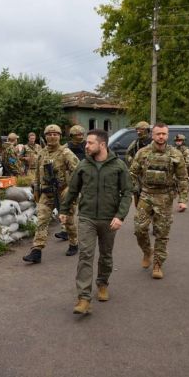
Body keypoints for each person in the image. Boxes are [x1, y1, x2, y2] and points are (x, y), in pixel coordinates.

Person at [60, 129, 132, 314]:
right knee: (85, 255)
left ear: (102, 144)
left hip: (110, 219)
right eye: (86, 143)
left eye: (90, 142)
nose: (86, 146)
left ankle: (102, 283)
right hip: (87, 218)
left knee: (106, 256)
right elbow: (73, 190)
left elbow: (126, 193)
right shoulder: (83, 165)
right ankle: (84, 298)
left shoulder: (118, 166)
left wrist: (120, 216)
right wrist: (64, 210)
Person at [129, 122, 189, 279]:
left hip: (165, 197)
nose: (161, 136)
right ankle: (147, 251)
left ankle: (157, 264)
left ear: (167, 135)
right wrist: (128, 190)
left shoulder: (175, 154)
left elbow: (183, 178)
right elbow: (132, 173)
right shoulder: (143, 153)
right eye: (158, 134)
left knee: (162, 233)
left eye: (164, 134)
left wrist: (183, 199)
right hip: (146, 195)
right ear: (152, 135)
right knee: (139, 229)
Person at [23, 124, 79, 263]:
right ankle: (36, 250)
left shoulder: (65, 152)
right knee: (41, 220)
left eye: (55, 134)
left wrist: (72, 190)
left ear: (60, 136)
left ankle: (74, 243)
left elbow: (78, 171)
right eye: (49, 134)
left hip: (63, 192)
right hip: (46, 193)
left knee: (69, 221)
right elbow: (37, 174)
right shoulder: (41, 153)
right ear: (45, 136)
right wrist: (36, 189)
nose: (52, 136)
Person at [56, 124, 86, 241]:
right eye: (78, 135)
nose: (80, 137)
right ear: (72, 136)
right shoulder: (66, 147)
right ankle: (65, 230)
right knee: (69, 204)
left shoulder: (87, 145)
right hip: (71, 180)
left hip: (86, 177)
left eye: (81, 134)